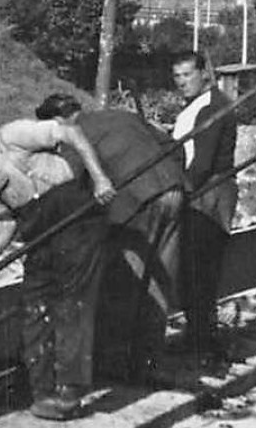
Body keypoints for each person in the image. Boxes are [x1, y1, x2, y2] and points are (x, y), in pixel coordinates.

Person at [0, 108, 117, 420]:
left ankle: (69, 393)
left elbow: (69, 131)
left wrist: (99, 178)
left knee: (71, 303)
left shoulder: (13, 135)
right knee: (34, 305)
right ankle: (41, 389)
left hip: (74, 216)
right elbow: (6, 222)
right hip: (40, 232)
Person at [33, 93, 184, 381]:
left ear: (59, 120)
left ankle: (115, 364)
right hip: (174, 193)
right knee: (158, 281)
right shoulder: (121, 115)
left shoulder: (74, 135)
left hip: (137, 203)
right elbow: (174, 146)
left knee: (126, 280)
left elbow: (70, 184)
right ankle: (147, 363)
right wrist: (169, 178)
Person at [170, 51, 239, 356]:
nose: (182, 82)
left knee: (200, 267)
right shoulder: (194, 105)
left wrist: (178, 192)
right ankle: (198, 335)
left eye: (187, 74)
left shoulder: (213, 106)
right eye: (177, 76)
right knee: (191, 267)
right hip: (199, 190)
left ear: (204, 73)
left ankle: (204, 343)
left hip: (208, 194)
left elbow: (202, 163)